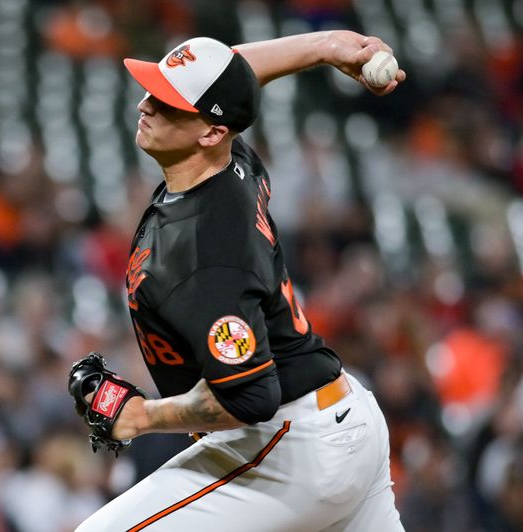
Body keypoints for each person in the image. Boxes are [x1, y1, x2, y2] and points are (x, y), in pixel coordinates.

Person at [75, 31, 407, 531]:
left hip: (289, 447)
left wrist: (140, 417)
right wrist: (327, 46)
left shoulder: (205, 253)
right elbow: (230, 79)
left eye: (166, 102)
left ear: (210, 131)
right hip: (344, 417)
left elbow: (250, 399)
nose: (145, 104)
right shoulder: (232, 163)